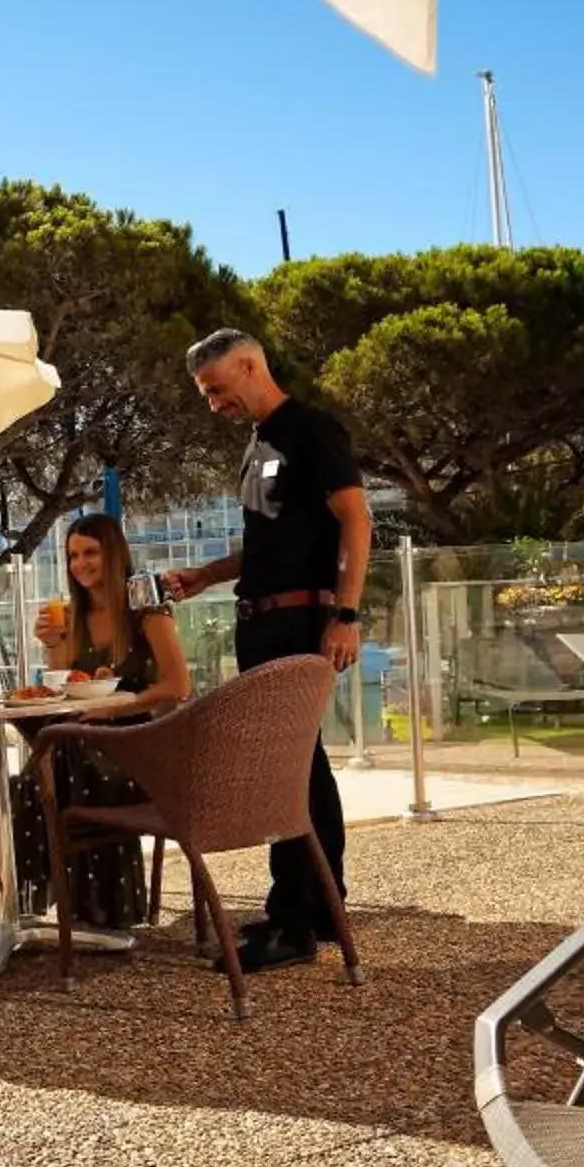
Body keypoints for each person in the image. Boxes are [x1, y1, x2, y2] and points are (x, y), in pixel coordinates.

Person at [162, 329, 369, 975]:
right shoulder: (258, 446)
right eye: (206, 395)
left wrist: (347, 615)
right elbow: (272, 544)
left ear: (250, 365)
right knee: (304, 767)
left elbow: (357, 519)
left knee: (281, 772)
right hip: (262, 621)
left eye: (217, 389)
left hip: (300, 622)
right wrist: (206, 575)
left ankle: (293, 924)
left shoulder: (310, 429)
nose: (213, 404)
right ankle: (321, 907)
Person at [14, 513, 192, 929]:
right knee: (55, 751)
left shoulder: (146, 612)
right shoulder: (71, 616)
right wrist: (54, 643)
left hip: (143, 748)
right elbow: (64, 689)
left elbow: (178, 685)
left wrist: (115, 708)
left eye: (90, 552)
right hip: (87, 744)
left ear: (113, 553)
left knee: (53, 761)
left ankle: (7, 875)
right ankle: (80, 906)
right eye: (73, 555)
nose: (81, 563)